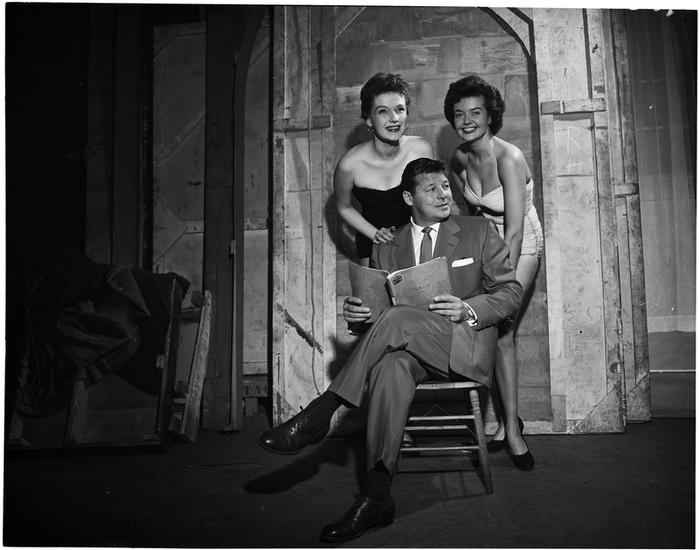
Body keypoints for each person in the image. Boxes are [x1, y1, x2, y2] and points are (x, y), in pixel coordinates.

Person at [259, 158, 522, 543]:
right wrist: (358, 317)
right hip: (409, 350)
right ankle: (376, 497)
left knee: (397, 319)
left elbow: (510, 292)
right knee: (389, 369)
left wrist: (468, 308)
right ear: (408, 198)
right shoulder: (387, 246)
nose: (443, 194)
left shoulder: (477, 230)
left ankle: (323, 410)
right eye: (431, 189)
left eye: (445, 186)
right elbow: (379, 323)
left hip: (461, 347)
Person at [443, 75, 544, 470]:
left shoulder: (509, 158)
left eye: (476, 113)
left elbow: (514, 231)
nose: (467, 121)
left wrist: (502, 288)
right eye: (459, 114)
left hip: (521, 244)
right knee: (483, 333)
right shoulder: (460, 158)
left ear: (490, 116)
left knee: (502, 332)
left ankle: (513, 430)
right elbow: (470, 210)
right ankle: (504, 422)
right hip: (489, 245)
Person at [334, 72, 434, 265]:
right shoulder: (350, 164)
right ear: (369, 119)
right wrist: (374, 234)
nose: (394, 118)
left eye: (400, 109)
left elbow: (432, 198)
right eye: (383, 112)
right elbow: (343, 207)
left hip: (416, 238)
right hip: (373, 243)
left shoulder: (422, 149)